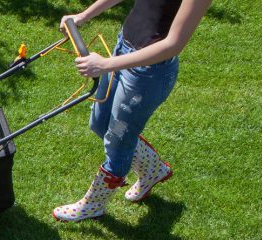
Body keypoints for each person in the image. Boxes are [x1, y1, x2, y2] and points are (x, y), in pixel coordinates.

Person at [52, 0, 212, 222]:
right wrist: (84, 15)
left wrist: (105, 65)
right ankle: (153, 170)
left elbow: (173, 45)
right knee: (99, 123)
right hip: (121, 50)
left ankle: (94, 205)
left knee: (118, 141)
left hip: (147, 73)